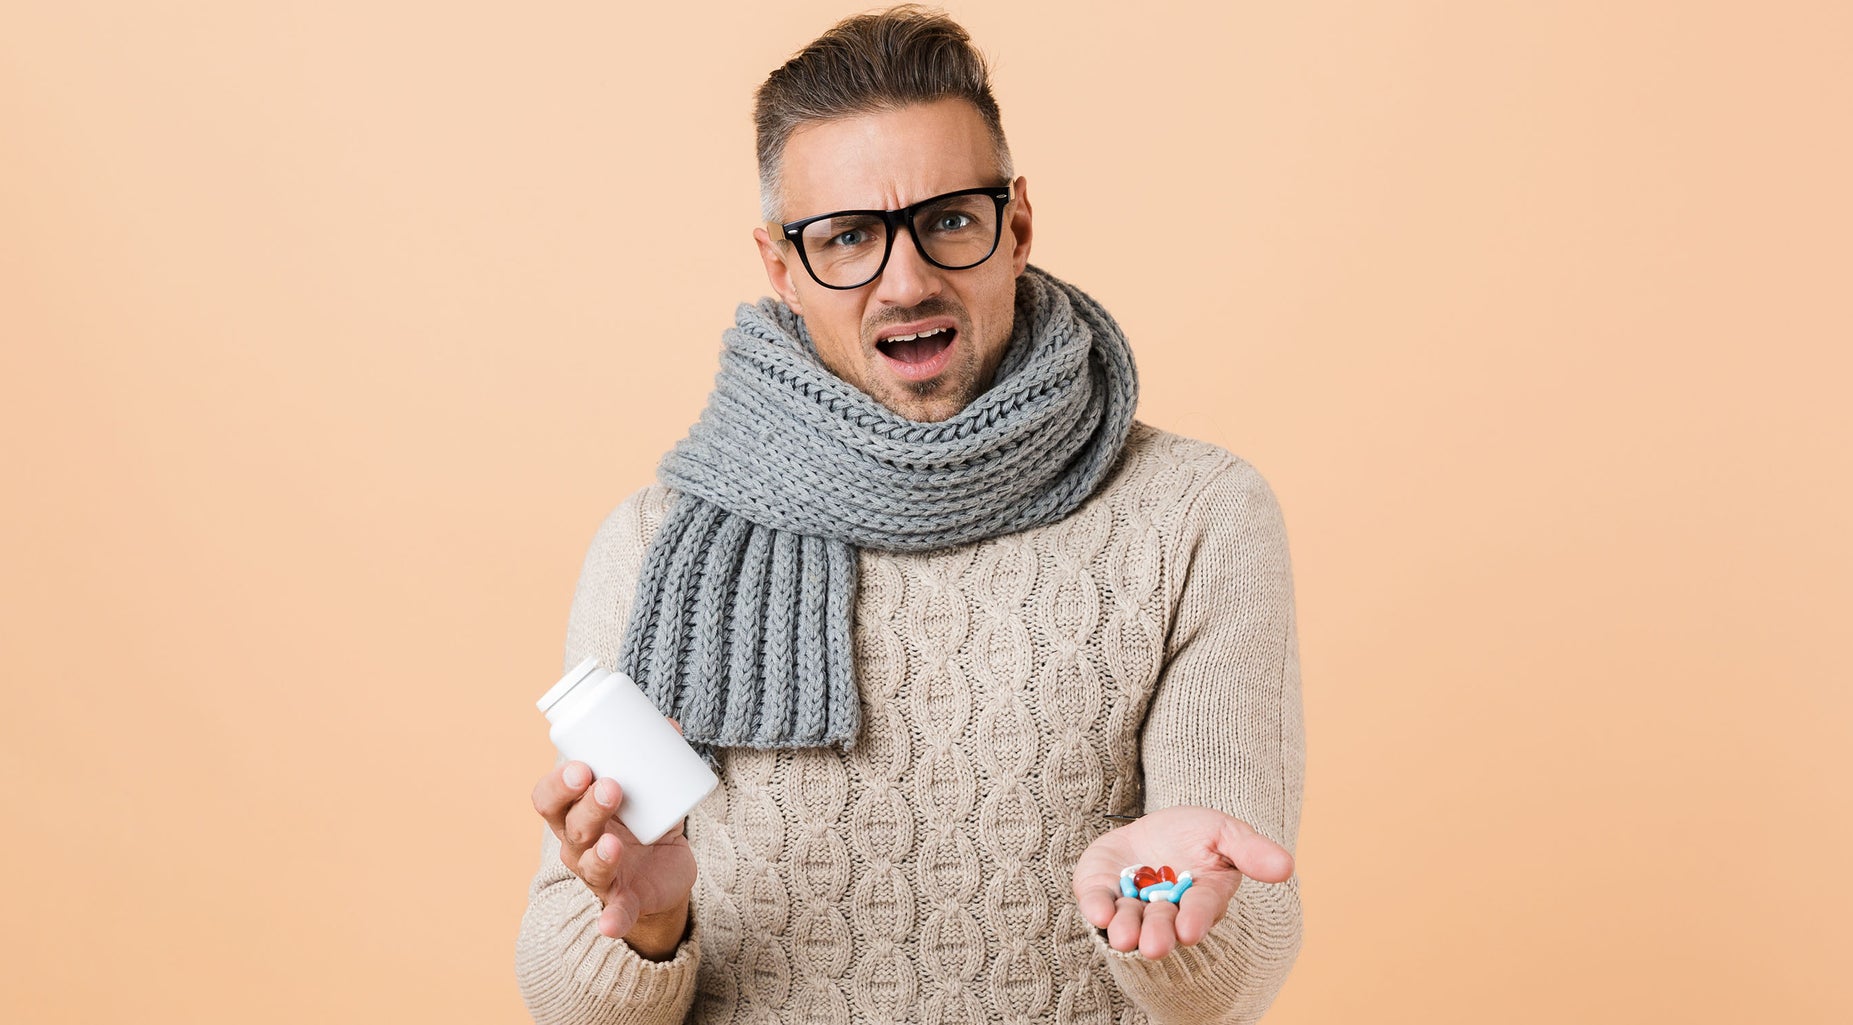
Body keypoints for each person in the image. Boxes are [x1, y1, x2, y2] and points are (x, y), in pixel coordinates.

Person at [517, 6, 1304, 1023]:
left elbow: (1239, 970)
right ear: (779, 269)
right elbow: (559, 992)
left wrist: (1168, 918)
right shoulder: (652, 543)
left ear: (1015, 225)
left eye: (947, 219)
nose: (906, 279)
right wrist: (652, 923)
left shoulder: (1193, 517)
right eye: (846, 237)